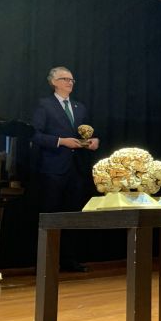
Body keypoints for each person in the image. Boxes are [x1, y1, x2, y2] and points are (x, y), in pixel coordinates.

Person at [32, 66, 99, 272]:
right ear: (54, 82)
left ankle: (69, 259)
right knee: (50, 214)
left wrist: (92, 142)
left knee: (72, 215)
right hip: (53, 168)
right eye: (65, 79)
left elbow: (84, 135)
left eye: (72, 80)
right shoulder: (44, 105)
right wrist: (61, 141)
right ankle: (46, 260)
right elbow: (34, 134)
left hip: (75, 169)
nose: (70, 82)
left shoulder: (79, 107)